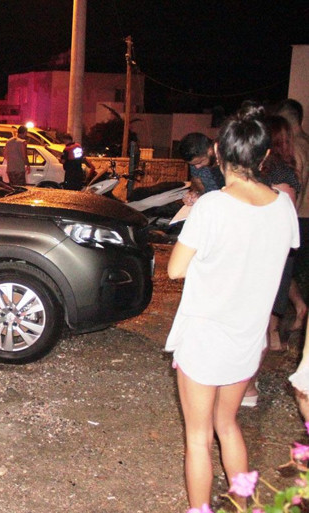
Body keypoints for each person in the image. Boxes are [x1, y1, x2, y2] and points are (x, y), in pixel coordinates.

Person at [165, 104, 299, 510]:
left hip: (206, 336)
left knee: (198, 437)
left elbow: (174, 270)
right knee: (229, 424)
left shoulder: (213, 207)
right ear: (262, 158)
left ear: (219, 152)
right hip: (247, 336)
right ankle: (243, 504)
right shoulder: (282, 207)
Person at [258, 114, 306, 354]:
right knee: (279, 286)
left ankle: (270, 336)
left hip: (271, 241)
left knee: (271, 290)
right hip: (284, 241)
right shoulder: (288, 169)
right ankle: (273, 335)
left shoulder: (269, 171)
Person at [179, 132, 226, 206]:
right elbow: (197, 183)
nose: (197, 167)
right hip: (208, 205)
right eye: (192, 164)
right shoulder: (195, 163)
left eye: (200, 162)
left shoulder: (228, 161)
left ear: (210, 150)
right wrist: (195, 193)